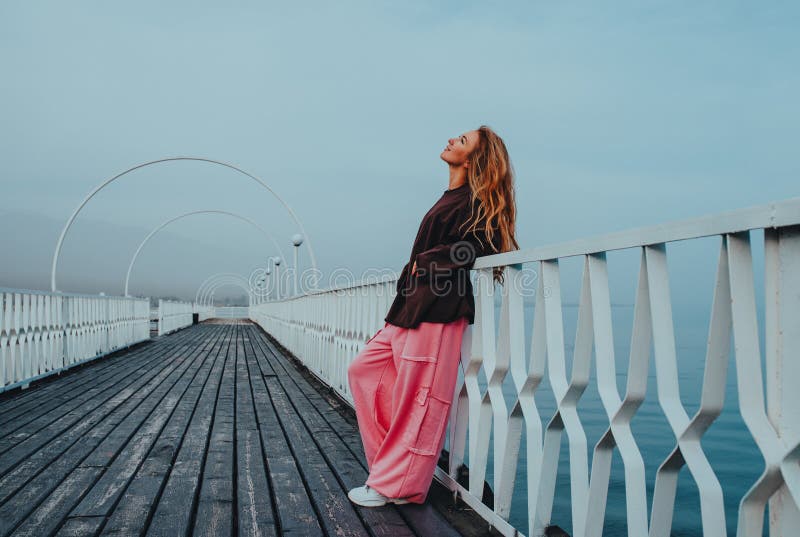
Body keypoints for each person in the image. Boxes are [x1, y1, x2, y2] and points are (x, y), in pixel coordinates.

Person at [346, 125, 519, 507]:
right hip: (411, 307)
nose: (453, 139)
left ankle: (399, 486)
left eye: (463, 140)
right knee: (365, 372)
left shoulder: (474, 201)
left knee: (420, 400)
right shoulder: (450, 197)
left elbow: (477, 247)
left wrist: (425, 263)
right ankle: (392, 468)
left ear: (473, 160)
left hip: (439, 309)